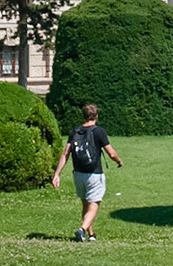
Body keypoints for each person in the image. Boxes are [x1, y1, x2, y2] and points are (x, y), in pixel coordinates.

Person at [51, 102, 122, 241]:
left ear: (83, 116)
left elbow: (65, 154)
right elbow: (111, 154)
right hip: (94, 174)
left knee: (86, 205)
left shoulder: (75, 131)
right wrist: (119, 161)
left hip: (78, 174)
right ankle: (82, 229)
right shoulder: (98, 131)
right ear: (96, 116)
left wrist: (57, 174)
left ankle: (91, 235)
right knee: (94, 204)